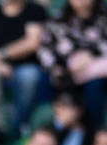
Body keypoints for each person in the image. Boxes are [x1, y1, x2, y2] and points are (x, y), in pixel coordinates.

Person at [0, 0, 49, 135]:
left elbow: (32, 43)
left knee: (28, 75)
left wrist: (1, 54)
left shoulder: (34, 10)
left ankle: (18, 127)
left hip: (26, 67)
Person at [38, 0, 107, 128]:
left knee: (95, 85)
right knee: (44, 78)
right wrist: (58, 67)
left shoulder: (104, 18)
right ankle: (45, 128)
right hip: (64, 72)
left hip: (95, 73)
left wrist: (92, 56)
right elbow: (45, 50)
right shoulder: (58, 20)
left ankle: (94, 131)